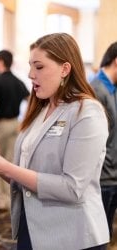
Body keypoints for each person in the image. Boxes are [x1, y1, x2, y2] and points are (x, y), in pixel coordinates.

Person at [0, 33, 110, 250]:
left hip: (72, 236)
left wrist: (7, 167)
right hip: (33, 229)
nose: (31, 74)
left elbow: (72, 188)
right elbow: (29, 178)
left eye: (39, 67)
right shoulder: (41, 110)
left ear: (65, 69)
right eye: (30, 66)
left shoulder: (87, 112)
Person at [0, 49, 29, 210]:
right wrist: (25, 120)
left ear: (1, 61)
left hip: (0, 124)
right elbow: (31, 100)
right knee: (9, 162)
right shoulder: (18, 81)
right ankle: (9, 199)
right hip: (15, 124)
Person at [90, 42, 117, 242]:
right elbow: (94, 139)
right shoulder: (97, 90)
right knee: (99, 237)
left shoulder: (112, 88)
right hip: (104, 177)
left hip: (113, 174)